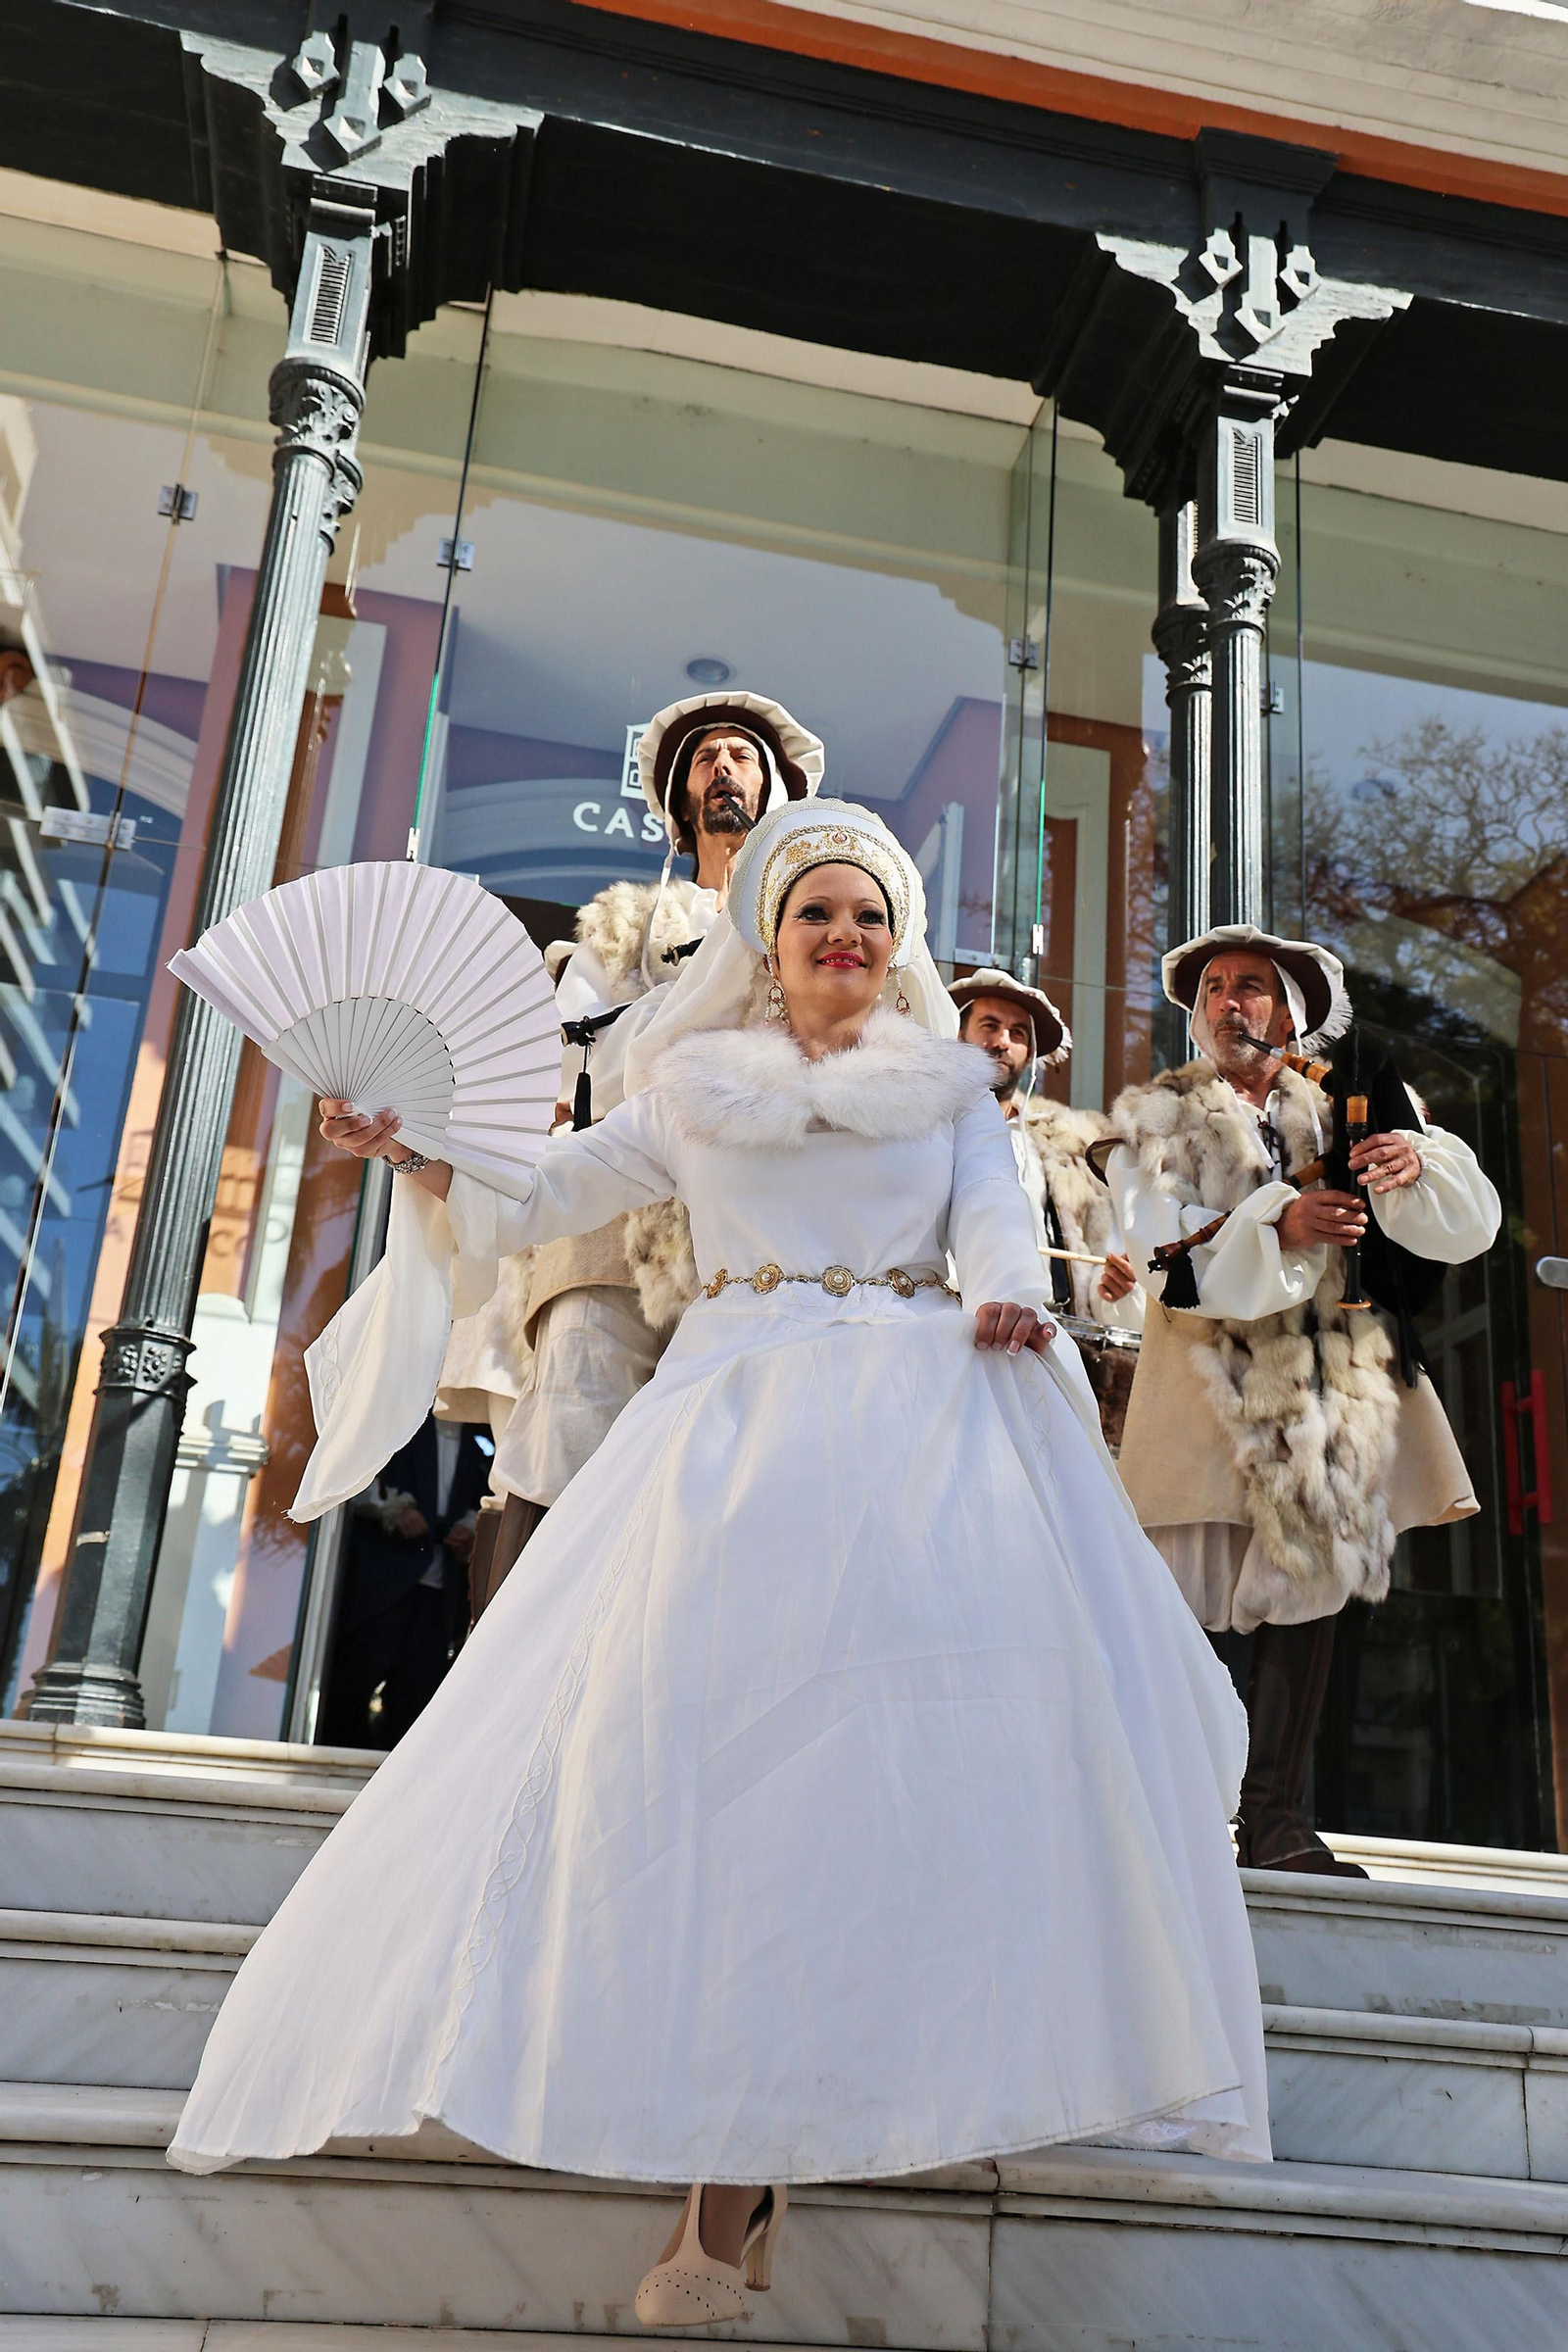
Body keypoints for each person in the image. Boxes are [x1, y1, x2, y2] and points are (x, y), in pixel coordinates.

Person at [170, 801, 1270, 2328]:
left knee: (885, 1772)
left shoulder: (955, 1091)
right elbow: (547, 1195)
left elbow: (997, 1228)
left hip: (915, 1425)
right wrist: (414, 1144)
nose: (845, 940)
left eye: (870, 920)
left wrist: (1014, 1303)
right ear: (769, 938)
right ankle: (717, 2170)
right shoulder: (690, 1086)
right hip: (730, 1431)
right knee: (707, 1763)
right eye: (817, 916)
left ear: (898, 953)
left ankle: (832, 2123)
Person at [1102, 924, 1500, 1876]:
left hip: (1335, 1384)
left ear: (1292, 1012)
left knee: (1313, 1587)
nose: (1230, 1002)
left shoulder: (1356, 1102)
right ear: (1196, 1015)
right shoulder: (1154, 1111)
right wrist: (1276, 1219)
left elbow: (1467, 1224)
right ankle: (1169, 1817)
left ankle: (1273, 1820)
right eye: (1214, 990)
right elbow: (1151, 1242)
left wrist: (1413, 1167)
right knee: (1180, 1597)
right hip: (1206, 1384)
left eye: (1252, 987)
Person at [478, 691, 823, 1590]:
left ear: (777, 787)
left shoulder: (817, 926)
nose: (721, 767)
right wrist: (688, 1016)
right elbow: (568, 1069)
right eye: (704, 757)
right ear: (679, 796)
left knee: (735, 1468)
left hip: (761, 1232)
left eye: (742, 756)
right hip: (615, 1215)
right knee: (569, 1436)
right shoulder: (622, 926)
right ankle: (515, 1701)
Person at [949, 968, 1142, 1332]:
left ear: (1029, 1052)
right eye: (989, 1025)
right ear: (959, 1036)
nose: (1003, 1041)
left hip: (1047, 1333)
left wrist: (1115, 1286)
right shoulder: (925, 1133)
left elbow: (1100, 1269)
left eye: (1017, 1033)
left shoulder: (1066, 1150)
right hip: (951, 1327)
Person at [317, 1413, 492, 1749]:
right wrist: (390, 1509)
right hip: (385, 1581)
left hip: (438, 1592)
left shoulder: (477, 1446)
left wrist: (470, 1530)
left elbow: (481, 1500)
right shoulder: (401, 1423)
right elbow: (351, 1478)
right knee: (356, 1680)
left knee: (418, 1692)